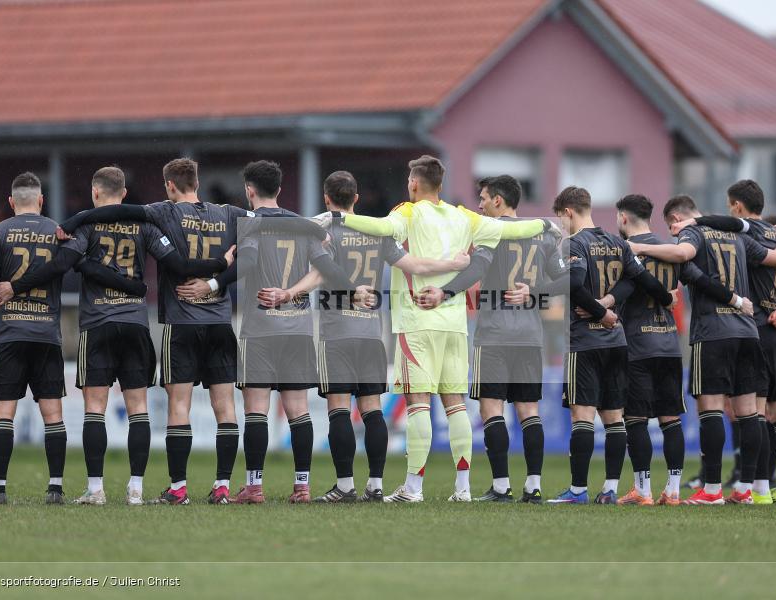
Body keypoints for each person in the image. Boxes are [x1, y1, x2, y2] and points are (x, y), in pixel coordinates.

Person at [0, 166, 234, 505]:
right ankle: (136, 489)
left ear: (95, 193)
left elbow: (61, 264)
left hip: (97, 324)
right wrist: (220, 264)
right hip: (135, 324)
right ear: (123, 195)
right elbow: (179, 265)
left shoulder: (86, 225)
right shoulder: (145, 225)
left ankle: (96, 490)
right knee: (138, 409)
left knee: (95, 408)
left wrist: (19, 284)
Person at [330, 155, 552, 502]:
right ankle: (462, 489)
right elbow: (512, 228)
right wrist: (544, 225)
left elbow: (380, 228)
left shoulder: (408, 211)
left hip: (418, 318)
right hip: (455, 324)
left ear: (414, 183)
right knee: (456, 406)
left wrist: (340, 217)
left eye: (409, 180)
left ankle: (414, 489)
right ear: (441, 184)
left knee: (418, 402)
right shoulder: (463, 215)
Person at [57, 158, 270, 505]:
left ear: (170, 186)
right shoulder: (230, 213)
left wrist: (74, 220)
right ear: (197, 182)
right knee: (225, 408)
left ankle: (178, 488)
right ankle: (221, 487)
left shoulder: (163, 212)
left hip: (181, 323)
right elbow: (258, 238)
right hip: (218, 321)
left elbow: (114, 215)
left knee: (179, 406)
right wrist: (217, 280)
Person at [269, 171, 469, 502]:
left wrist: (289, 293)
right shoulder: (377, 233)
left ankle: (345, 486)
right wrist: (453, 263)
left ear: (326, 198)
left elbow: (319, 273)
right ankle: (376, 485)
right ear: (357, 199)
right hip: (373, 333)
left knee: (338, 407)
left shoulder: (326, 229)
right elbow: (415, 265)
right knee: (372, 409)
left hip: (338, 332)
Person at [186, 161, 367, 504]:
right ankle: (302, 486)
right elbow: (326, 268)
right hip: (298, 329)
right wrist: (353, 288)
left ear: (249, 191)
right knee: (298, 409)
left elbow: (250, 263)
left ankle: (254, 486)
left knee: (256, 409)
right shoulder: (301, 225)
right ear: (280, 191)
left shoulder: (252, 224)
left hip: (261, 329)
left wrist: (213, 284)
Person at [630, 193, 776, 504]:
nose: (673, 233)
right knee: (748, 412)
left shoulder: (693, 232)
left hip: (713, 332)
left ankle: (714, 489)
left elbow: (684, 253)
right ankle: (747, 488)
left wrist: (640, 247)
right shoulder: (736, 235)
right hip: (747, 332)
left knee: (711, 409)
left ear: (677, 219)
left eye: (671, 227)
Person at [673, 181, 776, 504]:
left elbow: (723, 268)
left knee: (751, 412)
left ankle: (748, 486)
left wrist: (697, 223)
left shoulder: (742, 236)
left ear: (736, 206)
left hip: (751, 326)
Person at [605, 195, 741, 506]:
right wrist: (735, 300)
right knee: (671, 420)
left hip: (637, 344)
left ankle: (643, 490)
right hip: (669, 345)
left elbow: (620, 290)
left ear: (624, 218)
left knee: (636, 420)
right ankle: (674, 490)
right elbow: (702, 281)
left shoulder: (625, 252)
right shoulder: (672, 252)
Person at [547, 186, 677, 505]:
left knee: (582, 416)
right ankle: (609, 489)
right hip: (618, 344)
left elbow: (574, 284)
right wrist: (664, 298)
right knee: (614, 418)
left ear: (568, 212)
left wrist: (600, 311)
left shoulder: (574, 243)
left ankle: (577, 490)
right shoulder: (617, 242)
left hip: (586, 341)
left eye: (560, 218)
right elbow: (639, 278)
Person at [455, 175, 567, 503]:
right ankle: (533, 486)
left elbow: (475, 272)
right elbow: (568, 279)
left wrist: (446, 290)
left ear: (499, 202)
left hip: (493, 335)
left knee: (492, 409)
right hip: (531, 337)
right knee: (529, 410)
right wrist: (534, 291)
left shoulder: (490, 234)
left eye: (484, 198)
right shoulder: (543, 236)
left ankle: (501, 486)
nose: (480, 204)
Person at [0, 173, 70, 505]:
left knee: (3, 413)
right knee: (53, 414)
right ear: (41, 200)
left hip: (10, 332)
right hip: (46, 332)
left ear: (11, 202)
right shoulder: (57, 230)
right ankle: (55, 488)